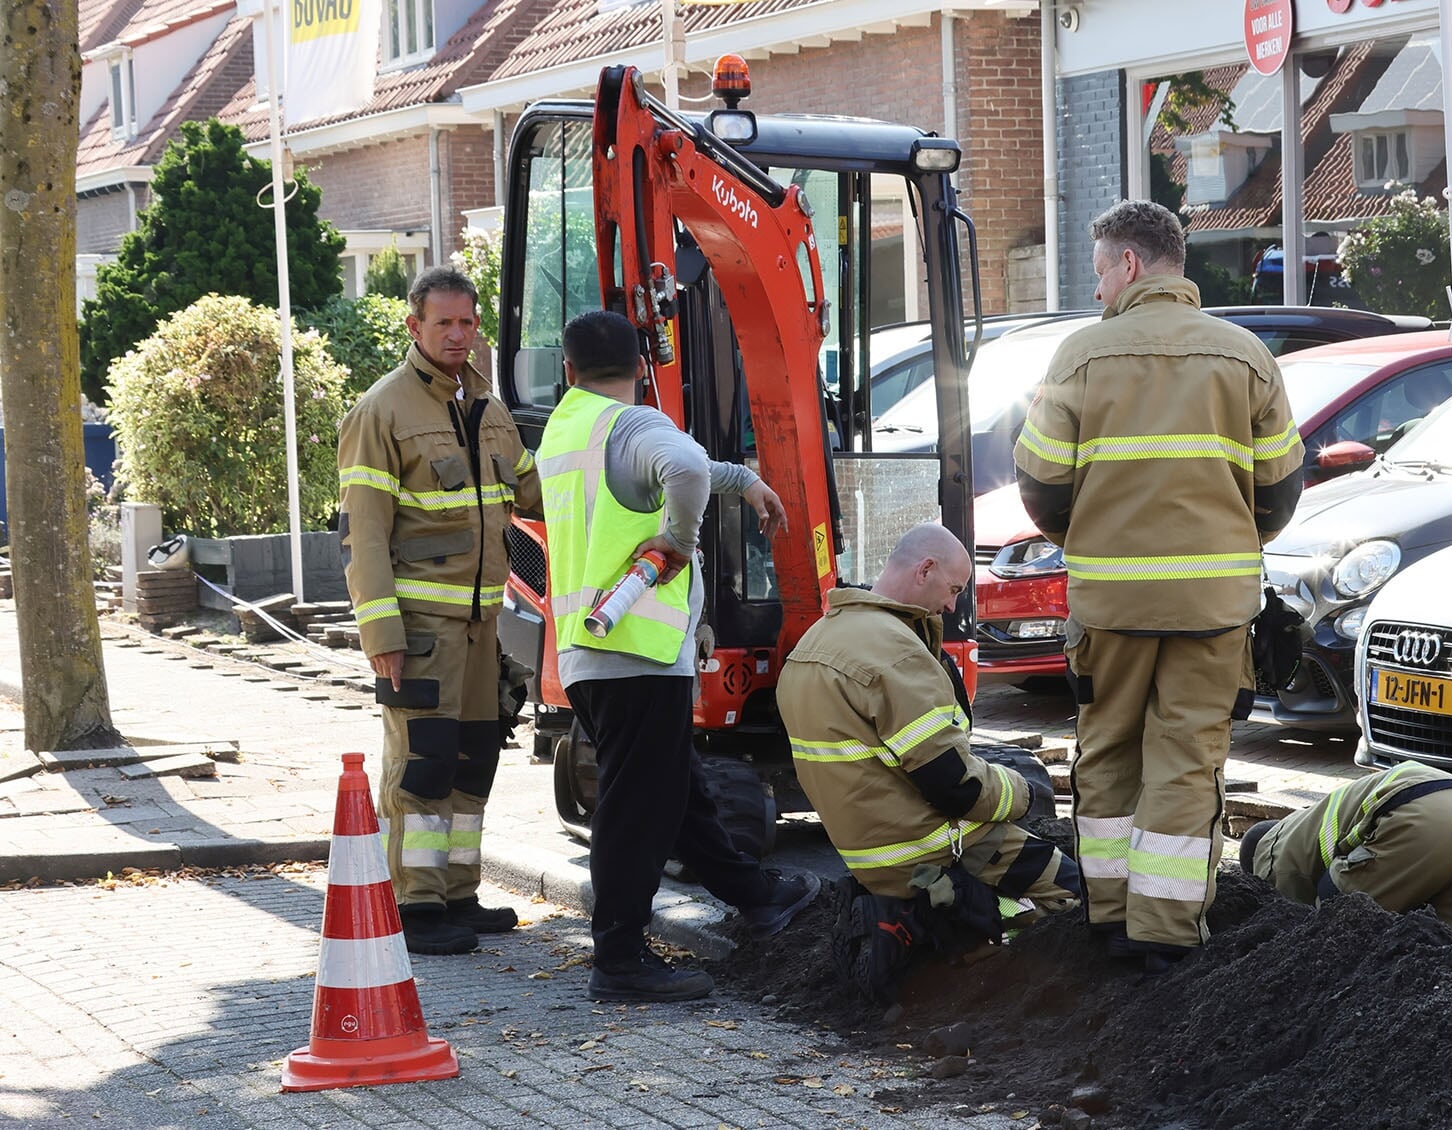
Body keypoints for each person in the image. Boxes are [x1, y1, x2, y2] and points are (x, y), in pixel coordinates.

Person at [1013, 199, 1305, 968]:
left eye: (1101, 270)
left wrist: (1090, 541)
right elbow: (1280, 489)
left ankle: (1108, 918)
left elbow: (1039, 486)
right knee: (1186, 760)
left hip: (1109, 605)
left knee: (1106, 751)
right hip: (1213, 610)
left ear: (1130, 265)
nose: (1098, 288)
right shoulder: (1246, 356)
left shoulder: (1079, 356)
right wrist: (1233, 543)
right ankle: (1167, 935)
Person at [537, 309, 819, 1004]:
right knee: (635, 809)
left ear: (568, 371)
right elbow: (682, 464)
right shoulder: (631, 424)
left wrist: (742, 479)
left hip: (591, 651)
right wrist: (677, 542)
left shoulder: (568, 427)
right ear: (642, 367)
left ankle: (753, 893)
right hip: (638, 650)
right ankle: (621, 959)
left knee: (677, 788)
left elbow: (678, 461)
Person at [776, 524, 1082, 1000]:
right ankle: (984, 964)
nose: (953, 606)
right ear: (925, 570)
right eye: (955, 589)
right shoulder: (895, 653)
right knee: (1078, 894)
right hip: (933, 846)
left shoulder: (813, 645)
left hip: (868, 855)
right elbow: (953, 785)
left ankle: (935, 934)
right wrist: (1021, 792)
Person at [337, 264, 543, 956]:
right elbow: (362, 533)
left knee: (472, 760)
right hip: (419, 631)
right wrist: (381, 634)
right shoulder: (382, 411)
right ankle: (415, 905)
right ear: (413, 326)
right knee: (422, 764)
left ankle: (458, 892)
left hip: (484, 628)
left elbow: (531, 493)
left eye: (467, 322)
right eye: (444, 323)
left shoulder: (485, 405)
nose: (459, 335)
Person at [1238, 761, 1452, 964]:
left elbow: (1292, 936)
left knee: (1334, 929)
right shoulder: (1311, 823)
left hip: (1422, 819)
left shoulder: (1272, 852)